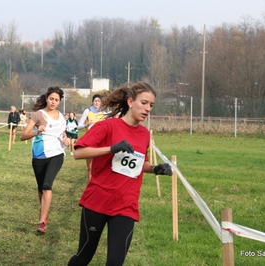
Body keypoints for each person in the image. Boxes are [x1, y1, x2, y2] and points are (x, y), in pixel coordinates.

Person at [68, 82, 173, 266]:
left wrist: (155, 168)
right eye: (144, 103)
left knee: (115, 263)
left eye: (151, 105)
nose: (148, 109)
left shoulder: (144, 134)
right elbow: (79, 153)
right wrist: (111, 148)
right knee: (84, 257)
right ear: (131, 102)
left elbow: (140, 163)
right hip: (97, 201)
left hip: (126, 205)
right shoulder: (108, 126)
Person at [20, 86, 70, 234]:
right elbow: (23, 136)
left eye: (56, 100)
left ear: (60, 101)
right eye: (51, 99)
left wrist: (65, 140)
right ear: (47, 99)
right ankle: (44, 213)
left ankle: (41, 222)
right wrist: (37, 131)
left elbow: (62, 134)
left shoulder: (61, 117)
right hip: (39, 156)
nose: (53, 102)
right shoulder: (37, 115)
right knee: (41, 188)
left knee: (47, 185)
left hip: (57, 154)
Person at [77, 94, 106, 181]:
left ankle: (98, 185)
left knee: (100, 166)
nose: (97, 103)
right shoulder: (87, 111)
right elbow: (79, 126)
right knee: (89, 167)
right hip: (89, 141)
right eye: (95, 101)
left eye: (98, 101)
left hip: (101, 141)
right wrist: (87, 124)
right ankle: (89, 187)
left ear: (101, 103)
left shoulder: (104, 113)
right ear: (92, 102)